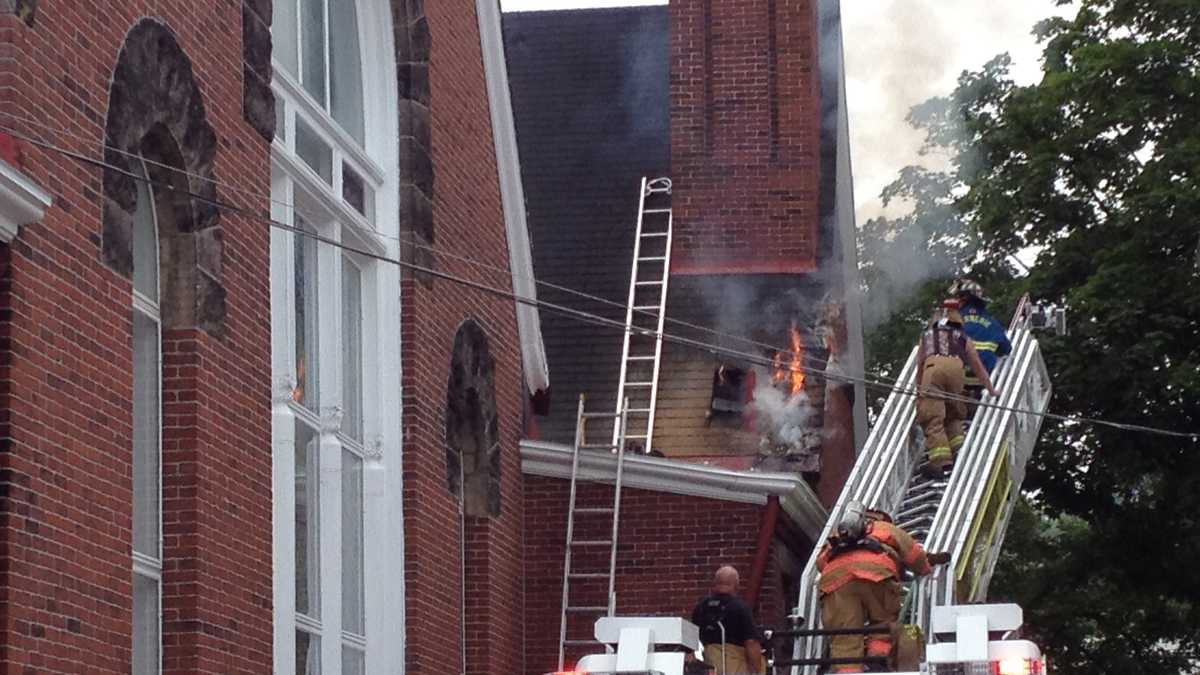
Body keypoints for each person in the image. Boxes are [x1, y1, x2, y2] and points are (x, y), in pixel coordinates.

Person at [815, 501, 951, 673]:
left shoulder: (838, 535)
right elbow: (913, 554)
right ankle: (877, 664)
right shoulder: (885, 528)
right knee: (882, 622)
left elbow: (820, 564)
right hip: (876, 576)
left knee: (845, 634)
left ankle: (848, 672)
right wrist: (924, 568)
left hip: (836, 582)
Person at [914, 299, 1000, 476]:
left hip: (934, 369)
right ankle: (959, 449)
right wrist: (991, 389)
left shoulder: (927, 336)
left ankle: (941, 462)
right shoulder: (963, 337)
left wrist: (918, 392)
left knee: (932, 417)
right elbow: (976, 364)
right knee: (954, 414)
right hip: (957, 372)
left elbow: (920, 364)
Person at [690, 566, 767, 674]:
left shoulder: (701, 607)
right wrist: (756, 669)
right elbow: (751, 642)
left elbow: (690, 639)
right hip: (735, 665)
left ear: (715, 583)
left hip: (709, 664)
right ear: (736, 585)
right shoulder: (740, 608)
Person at [950, 279, 1012, 397]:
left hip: (954, 379)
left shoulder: (951, 321)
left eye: (957, 298)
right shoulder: (993, 324)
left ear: (964, 300)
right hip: (981, 382)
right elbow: (1006, 349)